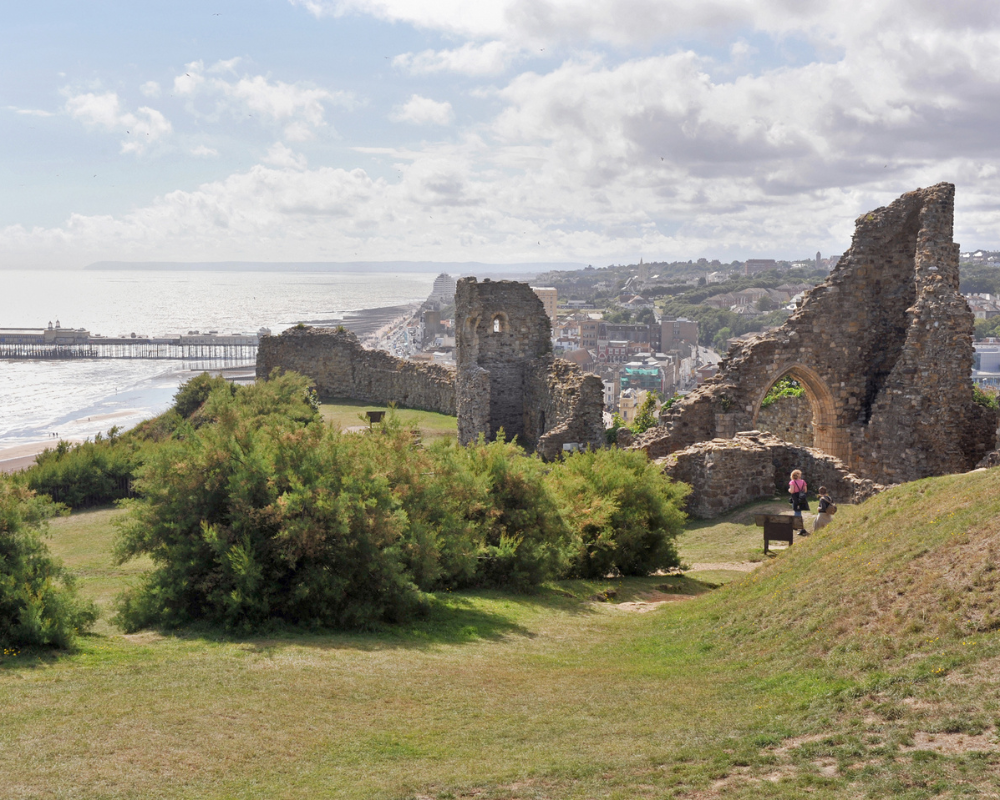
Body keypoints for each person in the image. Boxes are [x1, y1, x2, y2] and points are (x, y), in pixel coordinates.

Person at [788, 469, 809, 534]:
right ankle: (796, 525)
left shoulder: (792, 482)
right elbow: (805, 490)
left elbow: (792, 491)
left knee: (797, 512)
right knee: (798, 512)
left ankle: (801, 528)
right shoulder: (803, 481)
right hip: (802, 498)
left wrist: (789, 490)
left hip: (795, 498)